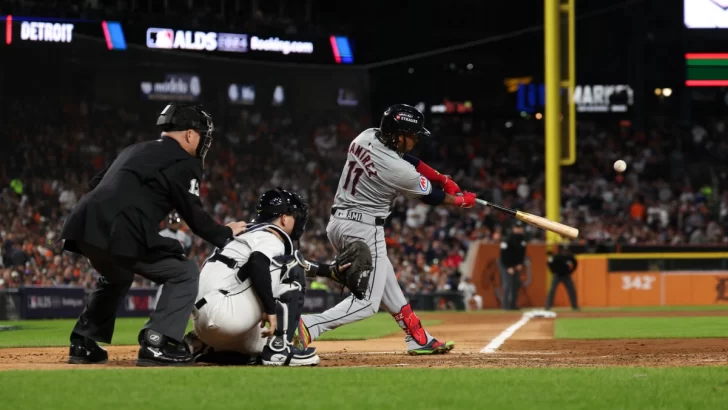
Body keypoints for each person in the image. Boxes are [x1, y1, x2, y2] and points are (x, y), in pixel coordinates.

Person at [59, 103, 247, 367]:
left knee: (118, 274)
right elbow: (195, 218)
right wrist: (226, 231)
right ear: (190, 135)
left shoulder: (134, 149)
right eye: (203, 135)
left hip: (83, 224)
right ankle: (158, 341)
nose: (204, 142)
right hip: (120, 229)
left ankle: (83, 341)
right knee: (184, 272)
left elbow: (95, 184)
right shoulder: (184, 160)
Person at [296, 103, 476, 355]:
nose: (414, 141)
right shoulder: (398, 171)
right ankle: (307, 326)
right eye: (411, 136)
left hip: (340, 223)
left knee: (388, 284)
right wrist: (460, 201)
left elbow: (407, 159)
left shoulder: (366, 135)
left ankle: (418, 337)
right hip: (363, 228)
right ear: (398, 135)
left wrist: (440, 177)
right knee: (368, 302)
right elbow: (432, 197)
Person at [184, 188, 363, 366]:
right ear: (284, 218)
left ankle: (210, 348)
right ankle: (281, 347)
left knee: (260, 349)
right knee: (291, 264)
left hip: (204, 324)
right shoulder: (271, 235)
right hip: (227, 313)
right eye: (295, 215)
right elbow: (259, 262)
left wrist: (328, 271)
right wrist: (270, 309)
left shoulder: (243, 234)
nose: (299, 219)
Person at [499, 221, 527, 310]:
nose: (519, 229)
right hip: (506, 265)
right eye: (517, 227)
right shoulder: (507, 239)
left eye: (520, 227)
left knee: (516, 285)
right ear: (513, 228)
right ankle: (506, 306)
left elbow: (522, 254)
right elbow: (503, 255)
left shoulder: (522, 239)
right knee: (507, 285)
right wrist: (508, 267)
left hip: (516, 265)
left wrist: (520, 263)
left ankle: (513, 305)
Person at [544, 244, 579, 311]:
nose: (564, 252)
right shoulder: (557, 256)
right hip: (557, 276)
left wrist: (570, 271)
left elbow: (575, 264)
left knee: (572, 290)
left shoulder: (570, 256)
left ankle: (575, 306)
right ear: (561, 250)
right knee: (552, 290)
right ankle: (548, 306)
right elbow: (549, 263)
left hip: (566, 276)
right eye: (563, 250)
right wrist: (553, 271)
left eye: (566, 251)